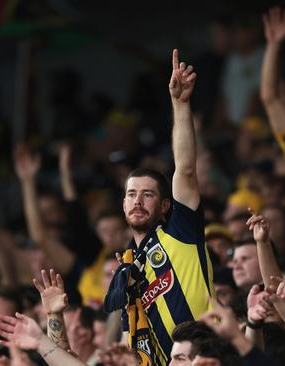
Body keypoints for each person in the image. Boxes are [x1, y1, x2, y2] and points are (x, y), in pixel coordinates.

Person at [103, 49, 214, 366]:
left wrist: (180, 105)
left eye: (147, 194)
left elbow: (186, 169)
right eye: (131, 194)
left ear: (166, 205)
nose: (137, 200)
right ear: (123, 203)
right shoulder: (126, 271)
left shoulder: (181, 230)